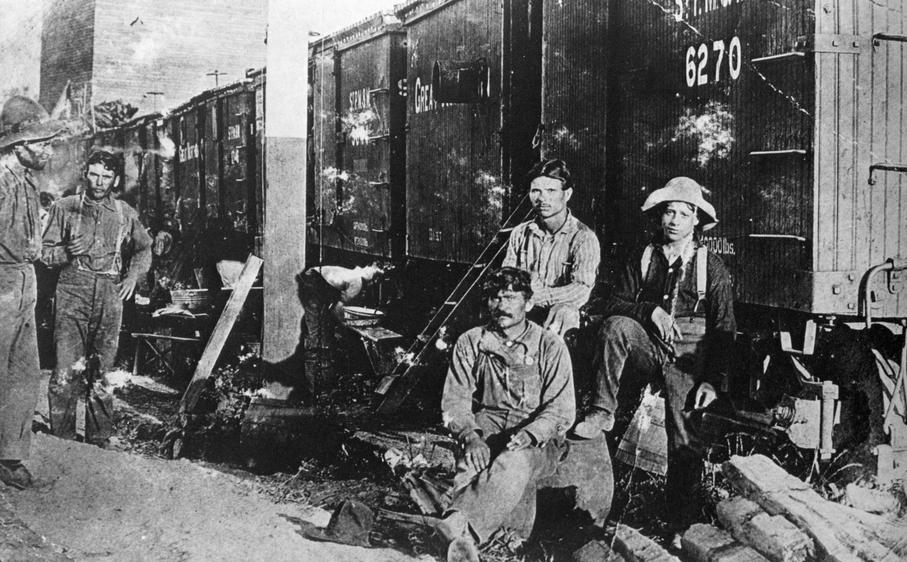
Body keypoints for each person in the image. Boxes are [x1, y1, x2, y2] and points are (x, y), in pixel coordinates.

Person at [572, 177, 736, 533]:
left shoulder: (712, 267)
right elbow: (613, 303)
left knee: (683, 439)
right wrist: (650, 311)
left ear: (696, 221)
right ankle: (602, 411)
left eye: (683, 213)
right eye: (668, 212)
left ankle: (681, 526)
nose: (674, 220)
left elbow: (725, 329)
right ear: (660, 218)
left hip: (689, 359)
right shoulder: (645, 256)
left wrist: (711, 381)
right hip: (648, 345)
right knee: (615, 325)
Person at [438, 267, 575, 562]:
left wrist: (530, 434)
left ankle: (458, 530)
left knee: (513, 462)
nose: (501, 306)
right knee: (470, 460)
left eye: (510, 298)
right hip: (489, 424)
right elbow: (455, 399)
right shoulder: (471, 341)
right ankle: (467, 541)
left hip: (539, 436)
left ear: (528, 303)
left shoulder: (550, 345)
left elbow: (560, 409)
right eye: (494, 298)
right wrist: (470, 435)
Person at [41, 149, 152, 442]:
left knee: (103, 372)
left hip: (109, 293)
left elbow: (144, 248)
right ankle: (61, 440)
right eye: (94, 174)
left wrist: (132, 276)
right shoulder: (64, 208)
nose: (99, 182)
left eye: (106, 176)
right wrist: (65, 252)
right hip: (72, 290)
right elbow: (44, 253)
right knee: (66, 369)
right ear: (85, 174)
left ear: (115, 179)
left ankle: (97, 441)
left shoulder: (125, 213)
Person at [0, 95, 67, 488]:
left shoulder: (26, 182)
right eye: (42, 143)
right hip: (2, 280)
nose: (48, 149)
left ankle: (9, 456)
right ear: (17, 145)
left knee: (24, 373)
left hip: (24, 281)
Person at [503, 159, 600, 338]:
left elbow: (581, 289)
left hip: (557, 316)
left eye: (551, 191)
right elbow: (507, 277)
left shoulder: (583, 237)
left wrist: (533, 296)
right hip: (523, 311)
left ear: (567, 194)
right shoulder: (520, 233)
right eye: (535, 191)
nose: (542, 199)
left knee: (563, 315)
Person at [296, 263, 386, 400]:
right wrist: (346, 325)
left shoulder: (355, 274)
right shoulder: (357, 284)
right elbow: (337, 309)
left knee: (320, 334)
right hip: (313, 284)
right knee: (319, 340)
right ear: (373, 280)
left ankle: (316, 387)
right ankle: (317, 391)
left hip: (312, 278)